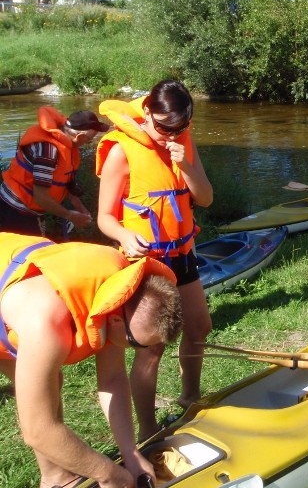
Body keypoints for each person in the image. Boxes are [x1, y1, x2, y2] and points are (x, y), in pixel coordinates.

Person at [0, 233, 183, 488]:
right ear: (118, 321)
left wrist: (130, 452)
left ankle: (56, 479)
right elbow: (37, 431)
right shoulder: (46, 326)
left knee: (49, 380)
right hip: (25, 297)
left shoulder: (116, 292)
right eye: (137, 344)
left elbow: (113, 378)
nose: (140, 351)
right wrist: (108, 474)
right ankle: (55, 478)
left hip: (16, 276)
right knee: (44, 393)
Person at [95, 79, 213, 440]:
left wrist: (188, 166)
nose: (170, 136)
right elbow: (105, 219)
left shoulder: (183, 143)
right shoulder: (121, 151)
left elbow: (205, 198)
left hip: (181, 254)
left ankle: (190, 396)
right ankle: (148, 430)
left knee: (200, 329)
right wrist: (125, 236)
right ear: (146, 111)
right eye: (164, 128)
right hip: (146, 263)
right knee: (153, 345)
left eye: (179, 127)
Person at [0, 107, 109, 237]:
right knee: (29, 253)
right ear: (79, 136)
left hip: (26, 210)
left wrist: (80, 208)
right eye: (88, 140)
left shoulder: (66, 142)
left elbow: (67, 181)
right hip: (15, 210)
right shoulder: (48, 153)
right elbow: (41, 198)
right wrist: (70, 216)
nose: (87, 143)